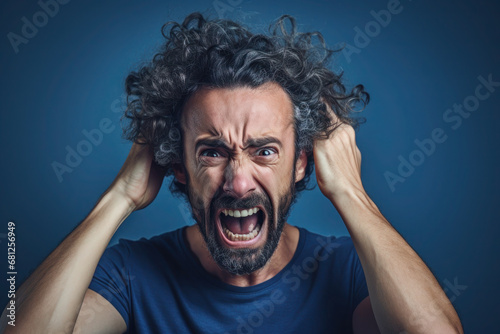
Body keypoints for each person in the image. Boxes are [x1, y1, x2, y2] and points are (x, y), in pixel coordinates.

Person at [1, 13, 463, 334]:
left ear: (301, 162)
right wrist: (119, 196)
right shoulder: (132, 275)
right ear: (177, 167)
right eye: (212, 152)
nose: (239, 182)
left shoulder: (350, 271)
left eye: (264, 151)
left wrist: (349, 191)